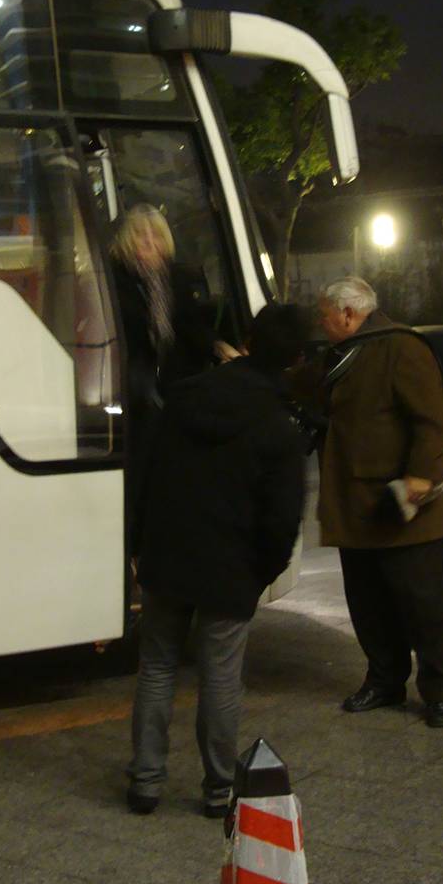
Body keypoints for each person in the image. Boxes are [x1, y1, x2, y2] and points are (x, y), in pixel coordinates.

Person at [126, 303, 309, 816]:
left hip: (167, 554)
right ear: (295, 358)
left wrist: (138, 546)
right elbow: (283, 518)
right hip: (230, 567)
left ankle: (145, 782)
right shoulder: (277, 424)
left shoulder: (184, 399)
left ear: (247, 340)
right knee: (221, 675)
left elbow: (146, 477)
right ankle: (218, 788)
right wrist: (260, 574)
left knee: (157, 667)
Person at [314, 276, 443, 729]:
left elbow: (430, 421)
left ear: (346, 314)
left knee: (424, 604)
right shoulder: (342, 354)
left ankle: (439, 692)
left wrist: (421, 476)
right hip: (358, 504)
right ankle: (385, 679)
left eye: (324, 316)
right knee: (368, 601)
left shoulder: (401, 347)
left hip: (406, 506)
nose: (321, 325)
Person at [110, 203, 239, 550]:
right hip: (132, 382)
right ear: (126, 240)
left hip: (172, 378)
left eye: (155, 235)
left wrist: (218, 346)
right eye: (140, 235)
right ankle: (137, 542)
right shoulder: (113, 278)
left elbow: (189, 325)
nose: (148, 242)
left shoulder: (176, 278)